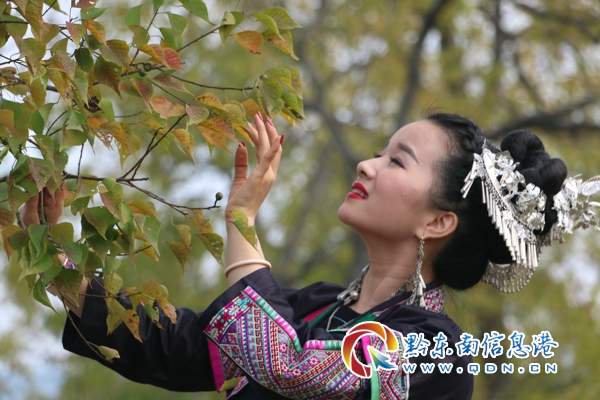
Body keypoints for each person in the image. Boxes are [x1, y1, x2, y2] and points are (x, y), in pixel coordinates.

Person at [22, 112, 577, 399]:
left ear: (437, 222)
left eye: (396, 161)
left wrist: (241, 221)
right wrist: (56, 260)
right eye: (378, 152)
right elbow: (176, 345)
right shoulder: (313, 307)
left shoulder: (436, 352)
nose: (367, 164)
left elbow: (290, 365)